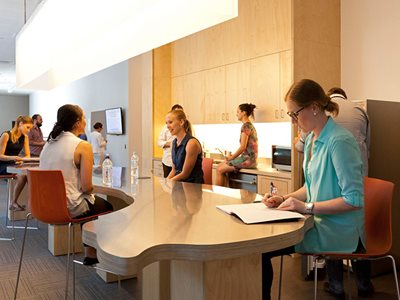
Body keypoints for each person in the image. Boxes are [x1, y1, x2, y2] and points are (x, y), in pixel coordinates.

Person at [261, 79, 373, 299]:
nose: (293, 121)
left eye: (295, 114)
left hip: (339, 230)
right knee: (263, 245)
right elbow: (309, 186)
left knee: (262, 250)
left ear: (314, 107)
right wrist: (284, 198)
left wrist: (306, 207)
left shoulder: (339, 141)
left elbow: (353, 200)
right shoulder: (313, 139)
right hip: (319, 222)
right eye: (290, 115)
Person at [40, 104, 113, 266]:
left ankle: (91, 253)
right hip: (68, 207)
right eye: (84, 118)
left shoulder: (48, 144)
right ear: (77, 123)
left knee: (86, 203)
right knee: (106, 207)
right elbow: (87, 187)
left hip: (44, 206)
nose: (86, 122)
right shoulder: (81, 145)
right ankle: (102, 256)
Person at [295, 87, 370, 175]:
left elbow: (300, 146)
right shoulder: (360, 110)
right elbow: (367, 146)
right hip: (358, 170)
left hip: (327, 171)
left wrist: (297, 140)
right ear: (345, 97)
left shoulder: (320, 112)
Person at [215, 103, 258, 186]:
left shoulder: (245, 127)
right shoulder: (249, 125)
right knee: (221, 166)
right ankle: (224, 193)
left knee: (219, 169)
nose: (236, 114)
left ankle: (219, 194)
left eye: (238, 112)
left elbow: (242, 147)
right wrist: (232, 158)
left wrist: (232, 157)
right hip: (250, 159)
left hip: (248, 160)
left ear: (243, 113)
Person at [0, 116, 33, 211]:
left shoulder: (25, 137)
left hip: (14, 164)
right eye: (28, 127)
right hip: (2, 164)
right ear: (20, 123)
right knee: (22, 176)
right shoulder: (6, 135)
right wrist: (14, 158)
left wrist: (22, 160)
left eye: (30, 128)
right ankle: (13, 202)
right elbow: (0, 156)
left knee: (30, 175)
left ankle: (33, 203)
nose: (29, 131)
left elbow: (27, 155)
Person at [166, 109, 204, 183]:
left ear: (181, 122)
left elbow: (185, 174)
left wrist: (168, 182)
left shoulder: (191, 143)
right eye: (166, 123)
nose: (167, 126)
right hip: (178, 185)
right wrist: (165, 182)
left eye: (170, 122)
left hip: (192, 188)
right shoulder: (173, 143)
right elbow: (174, 171)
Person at [157, 104, 184, 177]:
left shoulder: (190, 141)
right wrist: (171, 144)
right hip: (167, 161)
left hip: (180, 163)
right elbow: (159, 142)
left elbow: (184, 174)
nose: (168, 126)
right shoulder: (165, 128)